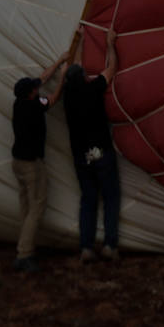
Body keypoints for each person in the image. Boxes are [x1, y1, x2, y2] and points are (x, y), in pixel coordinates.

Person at [59, 29, 121, 263]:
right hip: (102, 153)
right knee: (111, 197)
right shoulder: (93, 89)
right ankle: (109, 245)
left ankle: (86, 247)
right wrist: (110, 45)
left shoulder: (67, 98)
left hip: (81, 157)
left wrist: (81, 41)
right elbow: (112, 68)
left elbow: (75, 69)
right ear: (84, 77)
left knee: (88, 199)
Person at [9, 53, 68, 272]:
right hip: (31, 164)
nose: (37, 88)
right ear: (31, 95)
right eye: (34, 89)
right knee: (37, 206)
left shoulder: (19, 103)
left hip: (17, 162)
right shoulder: (34, 107)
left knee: (26, 206)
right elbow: (53, 98)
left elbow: (41, 79)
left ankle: (25, 246)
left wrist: (59, 61)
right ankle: (24, 255)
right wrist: (63, 77)